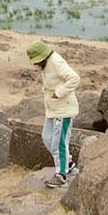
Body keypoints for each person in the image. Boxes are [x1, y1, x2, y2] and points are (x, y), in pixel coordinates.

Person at [30, 39, 80, 186]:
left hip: (64, 110)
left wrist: (59, 93)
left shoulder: (56, 62)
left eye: (36, 61)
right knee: (47, 137)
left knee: (59, 143)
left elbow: (74, 79)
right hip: (53, 110)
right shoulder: (47, 63)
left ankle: (61, 175)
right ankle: (68, 162)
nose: (35, 64)